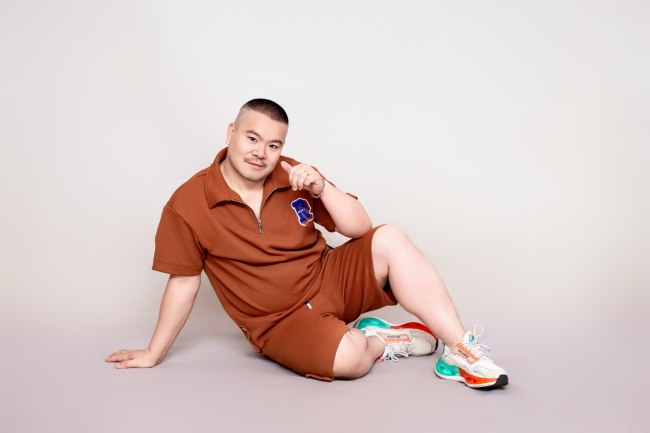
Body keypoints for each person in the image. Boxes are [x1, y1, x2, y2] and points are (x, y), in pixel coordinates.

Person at [105, 99, 508, 388]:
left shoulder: (293, 174)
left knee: (390, 237)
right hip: (280, 322)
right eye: (252, 138)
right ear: (231, 133)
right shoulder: (187, 204)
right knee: (351, 361)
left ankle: (459, 350)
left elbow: (361, 227)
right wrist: (153, 353)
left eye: (274, 145)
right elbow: (183, 282)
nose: (261, 153)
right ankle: (379, 341)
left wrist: (322, 187)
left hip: (328, 279)